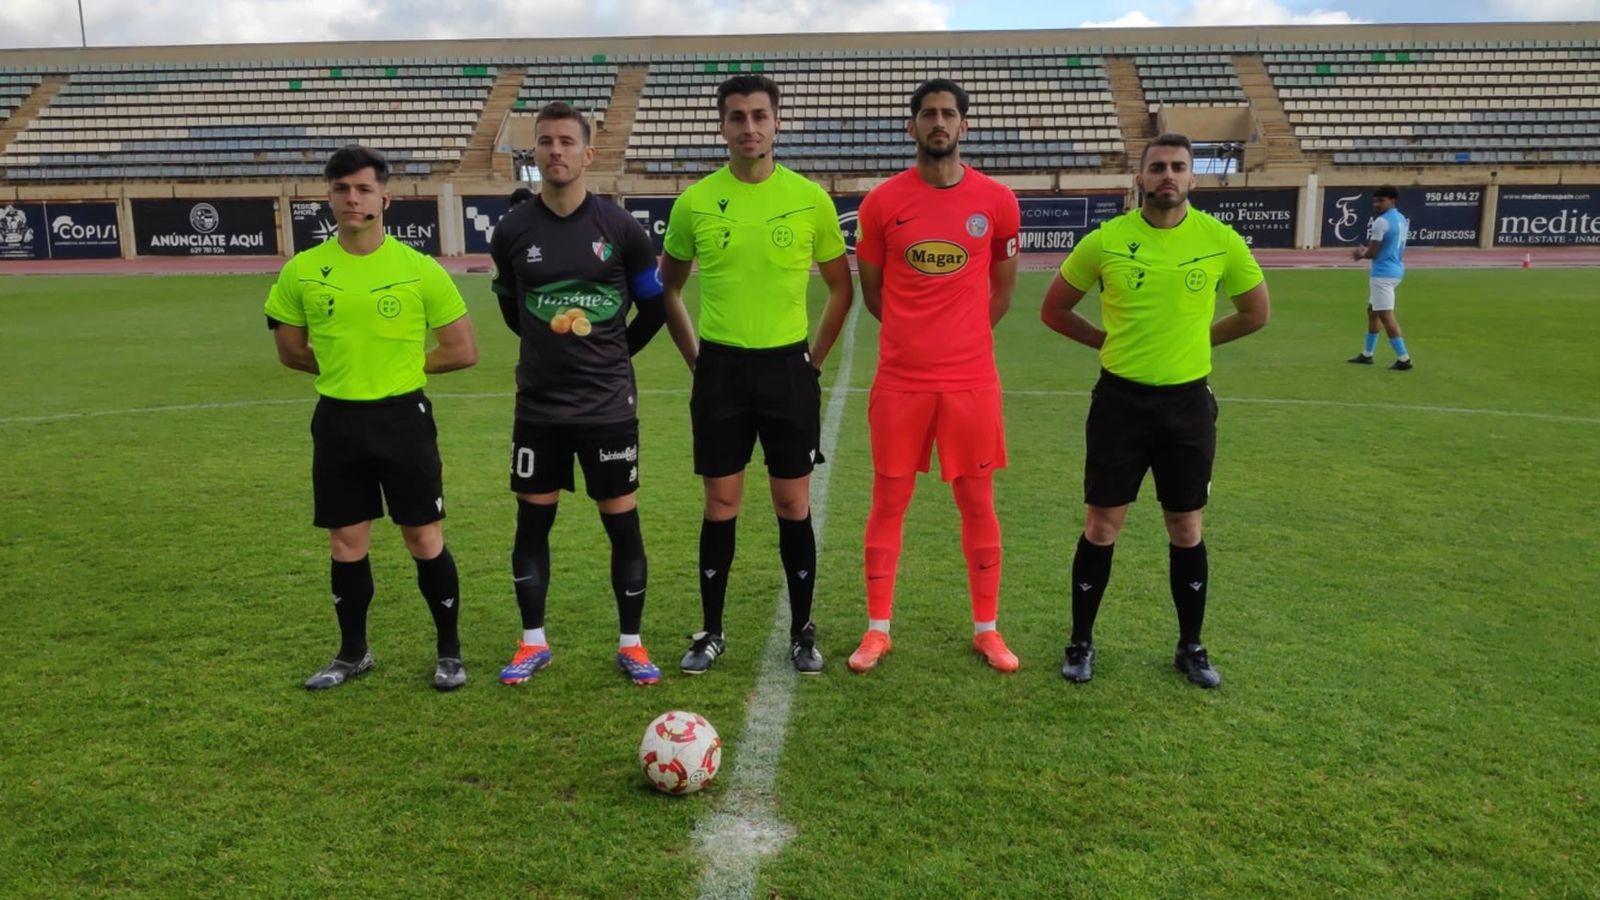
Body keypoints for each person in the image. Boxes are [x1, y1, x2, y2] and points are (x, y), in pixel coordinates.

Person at [1040, 132, 1270, 688]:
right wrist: (1107, 342)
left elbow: (1255, 312)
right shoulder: (1106, 240)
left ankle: (1191, 647)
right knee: (1101, 525)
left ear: (1193, 178)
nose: (1168, 175)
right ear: (1139, 177)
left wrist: (1195, 344)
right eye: (1158, 167)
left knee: (1186, 526)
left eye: (1178, 167)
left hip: (1188, 405)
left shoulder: (1220, 241)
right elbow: (1054, 309)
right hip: (1120, 403)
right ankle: (1081, 642)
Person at [657, 74, 854, 676]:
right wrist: (697, 359)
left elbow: (842, 289)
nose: (749, 127)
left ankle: (802, 630)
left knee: (793, 503)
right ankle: (712, 631)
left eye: (759, 115)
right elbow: (668, 285)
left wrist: (813, 362)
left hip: (787, 370)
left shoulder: (811, 199)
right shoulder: (694, 202)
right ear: (722, 125)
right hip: (720, 370)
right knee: (721, 503)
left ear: (777, 122)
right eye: (737, 116)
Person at [264, 144, 479, 691]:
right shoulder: (304, 270)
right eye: (341, 189)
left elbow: (461, 349)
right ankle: (353, 652)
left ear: (385, 197)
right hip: (337, 420)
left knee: (423, 539)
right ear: (329, 197)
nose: (352, 199)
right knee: (346, 543)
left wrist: (398, 367)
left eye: (363, 189)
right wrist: (347, 368)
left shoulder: (418, 269)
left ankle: (449, 653)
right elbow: (290, 350)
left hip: (403, 417)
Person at [488, 103, 674, 687]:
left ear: (589, 153)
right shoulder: (513, 231)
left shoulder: (620, 230)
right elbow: (513, 310)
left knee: (622, 524)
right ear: (536, 153)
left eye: (567, 142)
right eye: (545, 142)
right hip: (539, 408)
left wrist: (612, 353)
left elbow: (654, 307)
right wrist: (550, 349)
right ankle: (532, 642)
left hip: (607, 409)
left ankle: (633, 644)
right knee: (532, 525)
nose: (555, 152)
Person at [846, 78, 1023, 675]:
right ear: (911, 126)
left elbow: (1003, 290)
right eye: (928, 114)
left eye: (949, 114)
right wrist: (916, 337)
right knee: (888, 500)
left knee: (977, 502)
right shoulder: (881, 203)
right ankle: (877, 630)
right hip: (902, 380)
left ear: (964, 126)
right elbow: (875, 294)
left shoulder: (997, 201)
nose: (938, 122)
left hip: (971, 381)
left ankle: (988, 630)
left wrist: (964, 335)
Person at [1348, 185, 1412, 370]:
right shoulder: (1400, 219)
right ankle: (1367, 354)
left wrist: (1361, 253)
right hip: (1396, 269)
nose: (1377, 204)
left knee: (1386, 315)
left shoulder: (1381, 222)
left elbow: (1373, 253)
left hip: (1383, 273)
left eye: (1381, 201)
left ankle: (1404, 358)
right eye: (1375, 201)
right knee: (1372, 311)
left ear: (1392, 200)